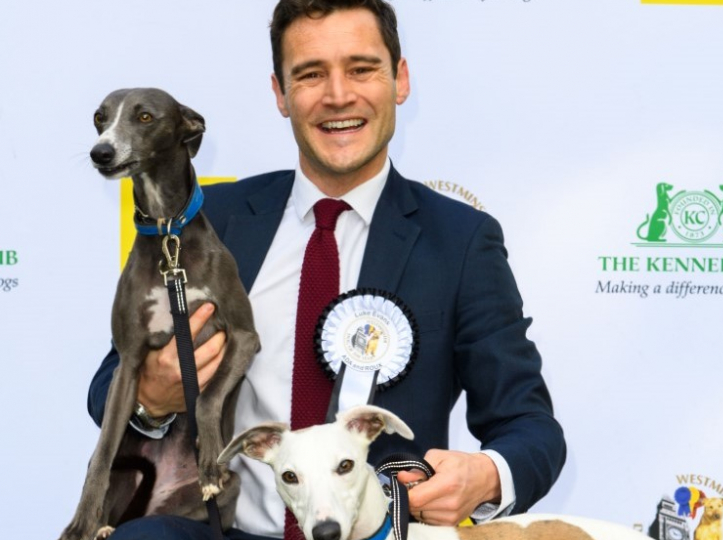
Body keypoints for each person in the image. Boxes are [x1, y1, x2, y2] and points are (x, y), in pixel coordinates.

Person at [87, 0, 566, 538]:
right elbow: (110, 380)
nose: (339, 95)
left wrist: (485, 474)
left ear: (399, 80)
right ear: (280, 94)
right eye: (311, 74)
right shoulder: (208, 219)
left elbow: (529, 427)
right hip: (218, 527)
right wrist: (151, 397)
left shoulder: (460, 241)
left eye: (361, 69)